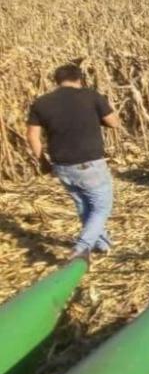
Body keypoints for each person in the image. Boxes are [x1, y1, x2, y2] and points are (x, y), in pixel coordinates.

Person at [26, 63, 121, 260]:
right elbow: (114, 122)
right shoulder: (91, 96)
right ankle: (82, 248)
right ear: (80, 79)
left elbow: (32, 136)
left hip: (61, 166)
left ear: (57, 81)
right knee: (102, 207)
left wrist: (43, 161)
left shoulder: (41, 103)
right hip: (89, 163)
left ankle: (102, 244)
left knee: (83, 205)